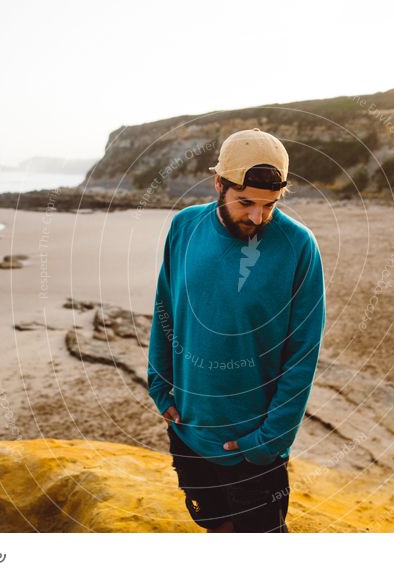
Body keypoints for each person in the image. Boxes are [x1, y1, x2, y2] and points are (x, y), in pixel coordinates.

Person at [146, 128, 327, 533]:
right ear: (218, 184)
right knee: (215, 527)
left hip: (255, 445)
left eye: (270, 205)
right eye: (246, 202)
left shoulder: (299, 247)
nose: (258, 217)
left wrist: (270, 440)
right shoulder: (184, 227)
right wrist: (159, 386)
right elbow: (164, 308)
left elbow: (303, 352)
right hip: (189, 428)